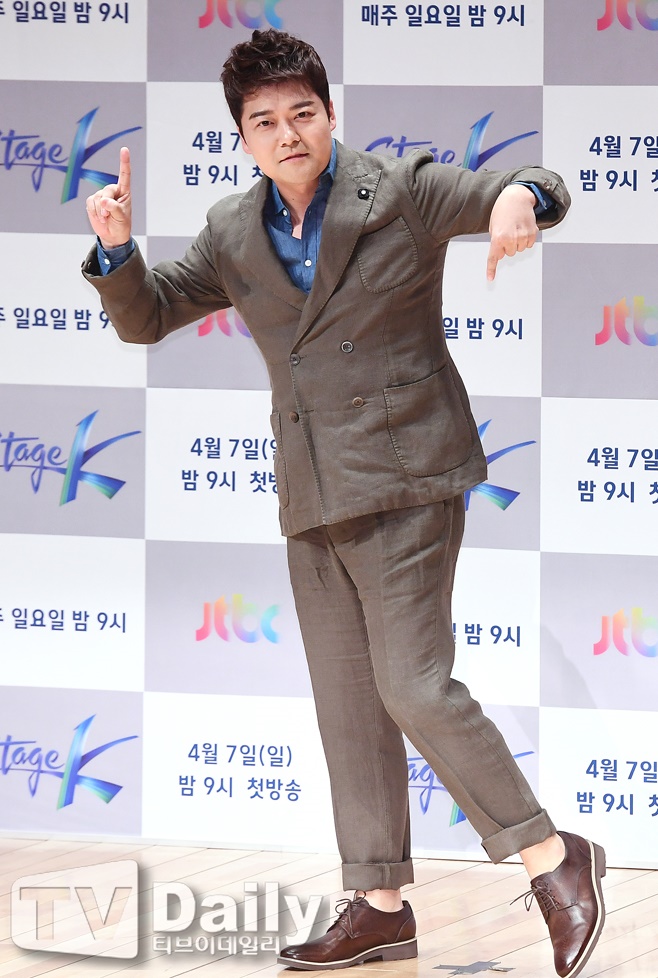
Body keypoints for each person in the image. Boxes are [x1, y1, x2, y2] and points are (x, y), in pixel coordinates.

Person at [82, 29, 605, 978]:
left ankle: (551, 856)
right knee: (350, 708)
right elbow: (149, 316)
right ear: (243, 137)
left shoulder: (398, 190)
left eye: (303, 114)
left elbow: (529, 184)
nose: (288, 135)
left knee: (414, 687)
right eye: (265, 122)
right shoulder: (232, 231)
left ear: (331, 114)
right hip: (313, 490)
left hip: (409, 479)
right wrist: (117, 252)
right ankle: (378, 906)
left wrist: (521, 201)